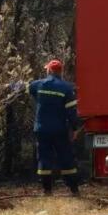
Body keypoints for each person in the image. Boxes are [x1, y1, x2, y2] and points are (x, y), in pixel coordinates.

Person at [28, 59, 80, 196]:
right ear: (60, 72)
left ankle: (47, 190)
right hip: (59, 130)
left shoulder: (38, 85)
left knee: (44, 158)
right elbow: (71, 112)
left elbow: (25, 88)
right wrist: (75, 129)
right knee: (66, 157)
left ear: (49, 70)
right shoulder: (66, 88)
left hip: (42, 129)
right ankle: (74, 189)